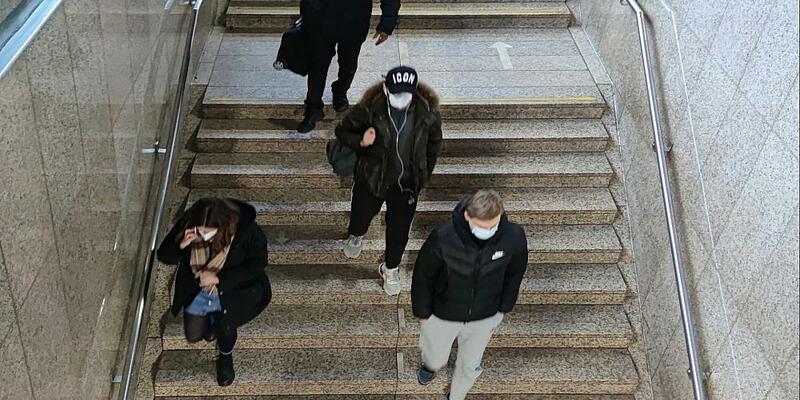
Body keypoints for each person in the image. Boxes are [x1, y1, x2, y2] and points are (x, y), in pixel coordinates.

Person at [411, 190, 529, 400]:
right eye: (483, 227)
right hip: (444, 313)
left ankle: (456, 396)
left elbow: (515, 272)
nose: (488, 231)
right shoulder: (443, 237)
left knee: (469, 364)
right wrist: (422, 313)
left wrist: (504, 307)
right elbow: (423, 276)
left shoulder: (513, 236)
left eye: (493, 225)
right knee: (435, 356)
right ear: (467, 216)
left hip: (485, 314)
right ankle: (430, 365)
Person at [335, 66, 443, 296]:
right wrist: (362, 142)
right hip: (373, 178)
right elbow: (342, 131)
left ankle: (390, 267)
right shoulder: (369, 109)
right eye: (395, 95)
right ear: (385, 89)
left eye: (405, 95)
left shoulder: (428, 114)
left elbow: (434, 145)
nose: (400, 100)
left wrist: (423, 175)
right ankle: (356, 235)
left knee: (399, 230)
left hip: (406, 184)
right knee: (361, 215)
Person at [157, 198, 271, 387]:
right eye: (200, 229)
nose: (202, 235)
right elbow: (164, 255)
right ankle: (211, 325)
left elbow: (258, 264)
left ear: (224, 225)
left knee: (225, 329)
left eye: (208, 231)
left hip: (231, 293)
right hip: (198, 290)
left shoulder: (247, 231)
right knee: (194, 334)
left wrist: (219, 280)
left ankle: (225, 357)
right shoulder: (191, 222)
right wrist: (181, 246)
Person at [297, 0, 401, 133]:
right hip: (320, 17)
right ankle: (313, 108)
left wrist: (387, 24)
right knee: (317, 66)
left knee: (348, 65)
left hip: (354, 19)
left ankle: (340, 91)